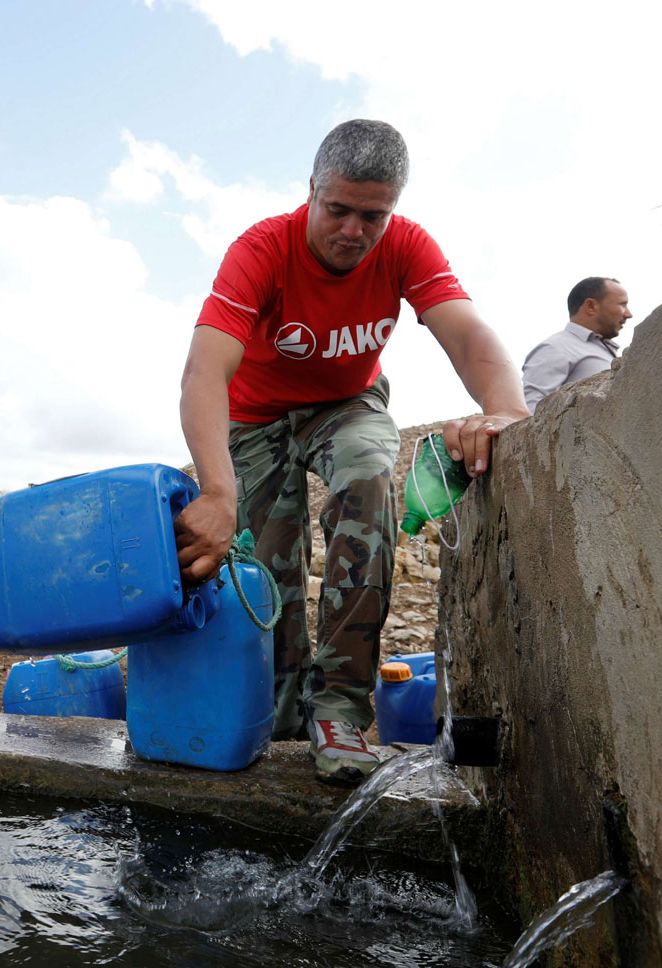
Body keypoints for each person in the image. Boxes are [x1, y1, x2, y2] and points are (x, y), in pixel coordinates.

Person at [173, 119, 529, 785]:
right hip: (253, 420)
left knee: (368, 473)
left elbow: (468, 333)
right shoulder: (262, 249)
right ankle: (279, 715)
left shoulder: (406, 246)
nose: (353, 232)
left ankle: (338, 705)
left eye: (373, 215)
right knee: (265, 566)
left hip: (348, 405)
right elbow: (203, 373)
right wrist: (218, 493)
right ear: (311, 190)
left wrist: (506, 410)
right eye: (337, 210)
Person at [521, 277, 630, 410]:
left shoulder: (604, 350)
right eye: (622, 305)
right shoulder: (556, 347)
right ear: (591, 306)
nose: (628, 314)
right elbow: (531, 410)